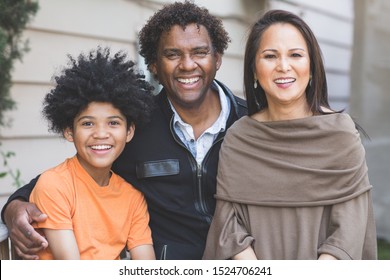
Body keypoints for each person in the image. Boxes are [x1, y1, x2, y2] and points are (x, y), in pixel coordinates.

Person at [1, 1, 247, 260]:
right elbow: (64, 179)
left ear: (217, 58)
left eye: (199, 52)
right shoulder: (136, 125)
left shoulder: (248, 123)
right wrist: (14, 207)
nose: (187, 64)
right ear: (153, 65)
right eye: (172, 54)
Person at [203, 9, 377, 260]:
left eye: (295, 55)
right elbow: (229, 227)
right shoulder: (239, 137)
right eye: (270, 56)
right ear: (253, 69)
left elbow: (350, 228)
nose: (283, 67)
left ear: (312, 66)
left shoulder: (341, 133)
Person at [17, 47, 156, 260]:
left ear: (129, 131)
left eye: (113, 123)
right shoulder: (54, 185)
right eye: (88, 123)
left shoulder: (133, 198)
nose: (101, 134)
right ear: (69, 132)